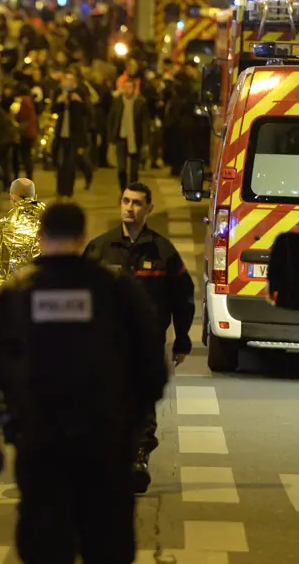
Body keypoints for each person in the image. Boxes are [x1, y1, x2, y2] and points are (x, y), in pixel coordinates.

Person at [0, 201, 168, 564]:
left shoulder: (17, 295)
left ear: (41, 237)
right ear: (81, 237)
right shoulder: (115, 290)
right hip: (104, 445)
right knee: (106, 546)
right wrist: (131, 428)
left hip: (40, 445)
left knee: (46, 546)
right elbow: (152, 368)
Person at [83, 182, 196, 493]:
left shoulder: (163, 252)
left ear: (149, 209)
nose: (129, 208)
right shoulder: (99, 249)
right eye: (125, 201)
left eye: (136, 203)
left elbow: (183, 298)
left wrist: (182, 339)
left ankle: (138, 458)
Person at [0, 178, 45, 306]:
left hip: (13, 303)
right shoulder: (47, 224)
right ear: (34, 197)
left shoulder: (3, 229)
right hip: (41, 301)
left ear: (12, 197)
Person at [52, 69, 92, 197]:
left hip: (74, 135)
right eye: (66, 79)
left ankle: (69, 190)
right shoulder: (58, 92)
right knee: (60, 163)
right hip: (61, 134)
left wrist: (79, 102)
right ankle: (60, 189)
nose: (68, 82)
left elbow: (88, 112)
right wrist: (59, 102)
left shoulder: (80, 92)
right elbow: (53, 109)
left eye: (71, 80)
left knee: (71, 164)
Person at [108, 76, 148, 192]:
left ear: (134, 89)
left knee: (134, 170)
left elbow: (144, 123)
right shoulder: (118, 101)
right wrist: (111, 138)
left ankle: (132, 190)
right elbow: (111, 119)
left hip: (135, 139)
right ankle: (123, 190)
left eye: (130, 87)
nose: (127, 90)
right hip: (121, 138)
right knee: (121, 168)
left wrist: (145, 141)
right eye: (125, 87)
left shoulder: (140, 103)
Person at [10, 83, 38, 179]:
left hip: (25, 132)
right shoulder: (29, 100)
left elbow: (21, 115)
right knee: (27, 155)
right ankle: (29, 175)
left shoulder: (23, 101)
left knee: (24, 155)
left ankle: (27, 176)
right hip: (31, 131)